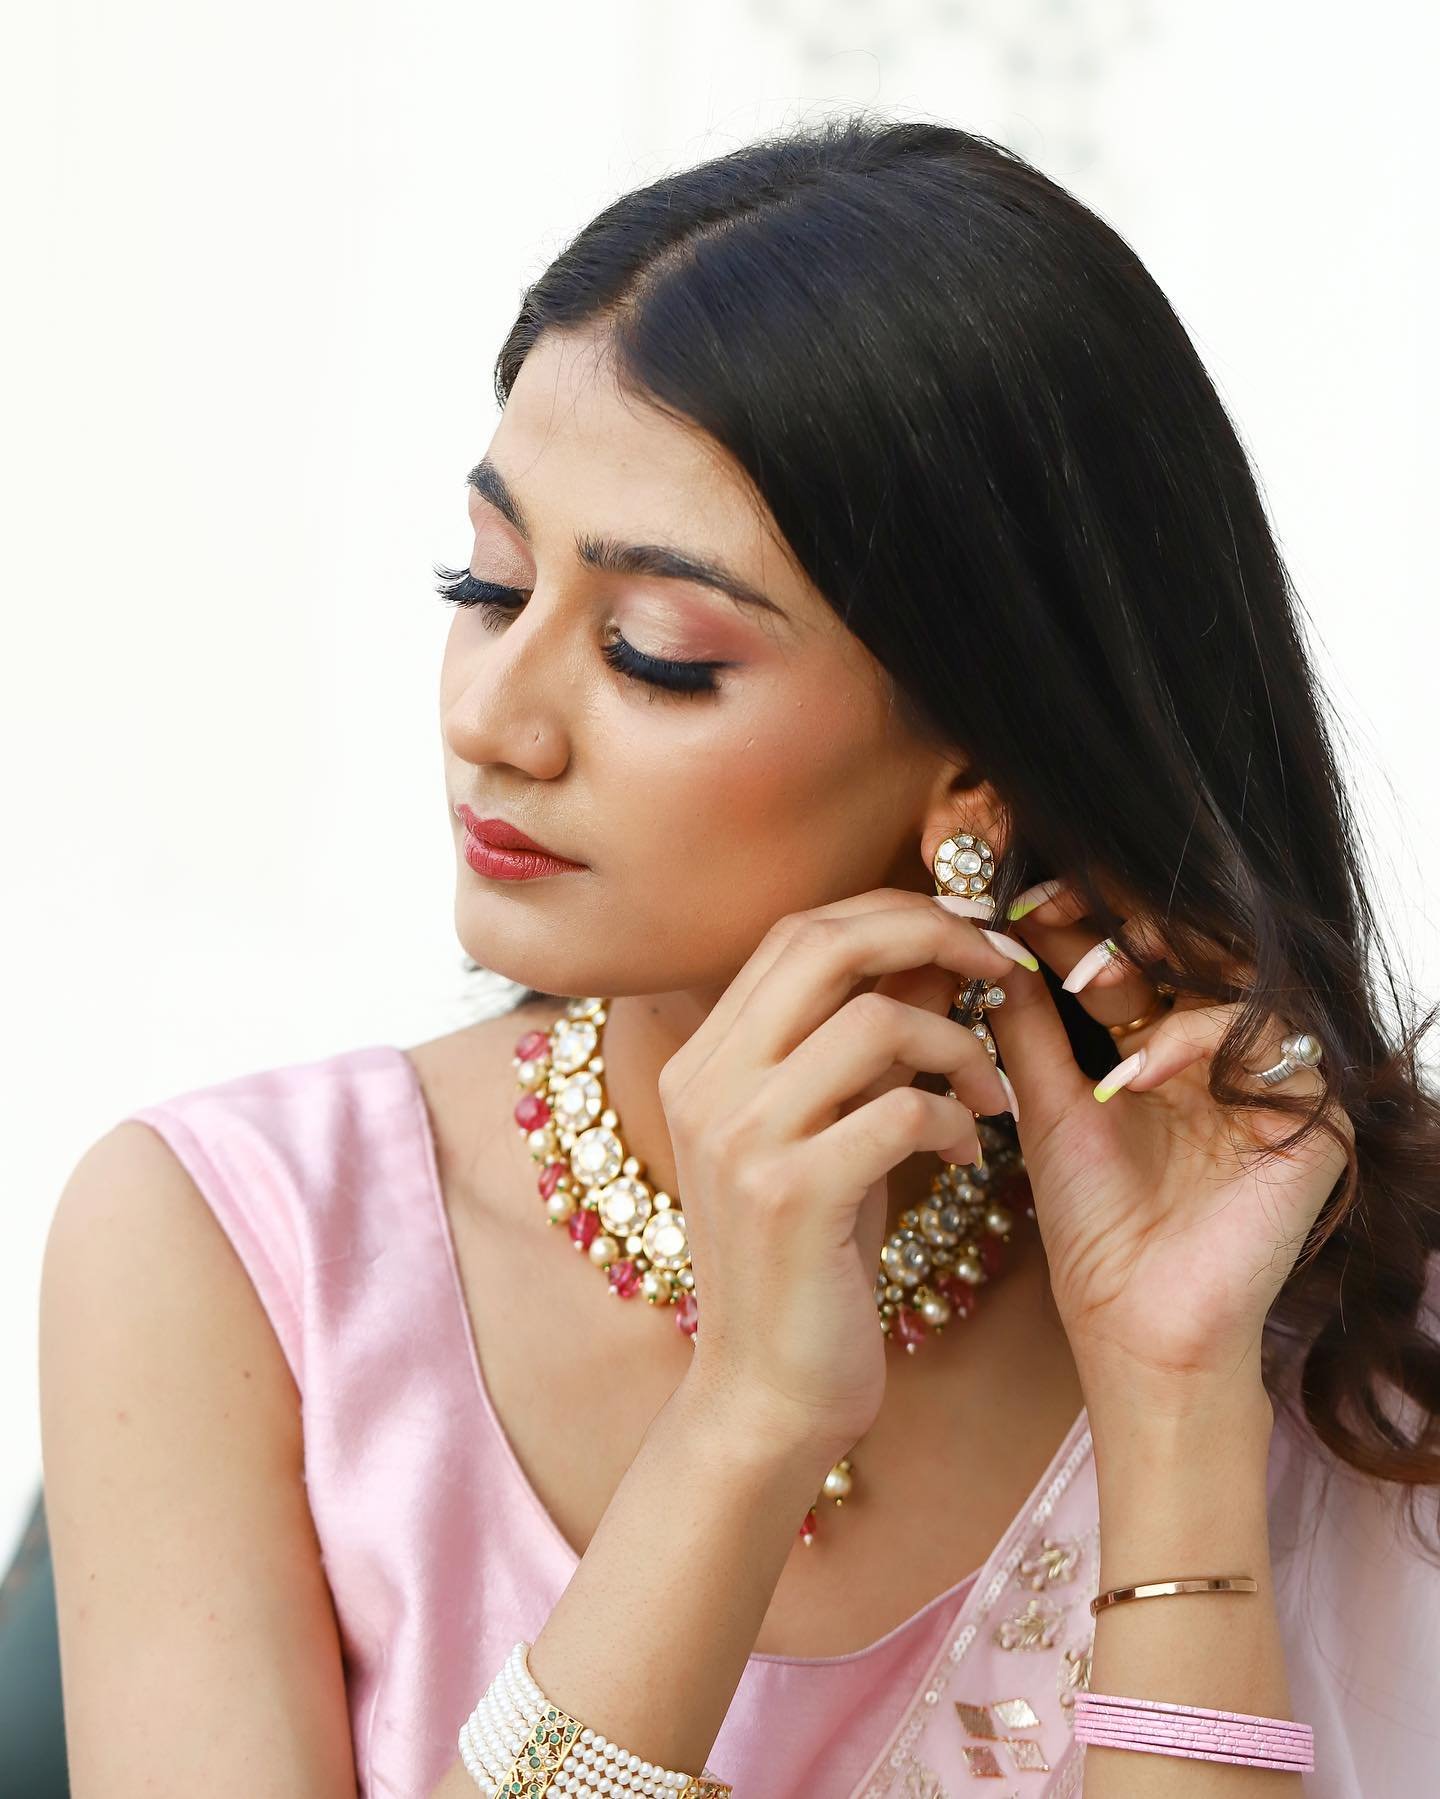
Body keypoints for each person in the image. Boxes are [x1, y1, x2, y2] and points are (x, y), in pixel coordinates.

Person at [38, 114, 1440, 1799]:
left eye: (654, 653)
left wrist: (1174, 1400)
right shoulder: (229, 1250)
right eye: (487, 585)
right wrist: (747, 1421)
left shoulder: (1323, 1270)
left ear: (980, 774)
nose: (494, 719)